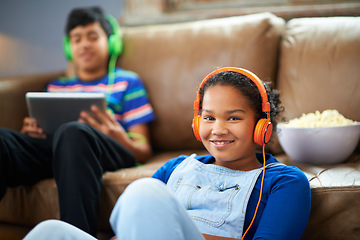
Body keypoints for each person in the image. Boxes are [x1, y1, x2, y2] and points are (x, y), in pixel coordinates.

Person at [22, 67, 311, 240]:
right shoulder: (176, 168)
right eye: (209, 118)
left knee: (144, 192)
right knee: (51, 232)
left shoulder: (285, 181)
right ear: (197, 124)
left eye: (233, 118)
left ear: (263, 127)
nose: (218, 129)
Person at [0, 6, 155, 237]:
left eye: (93, 37)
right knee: (4, 139)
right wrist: (28, 136)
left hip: (105, 149)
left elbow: (143, 149)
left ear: (111, 43)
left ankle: (76, 235)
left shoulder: (127, 82)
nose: (84, 44)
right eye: (77, 39)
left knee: (73, 132)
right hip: (56, 150)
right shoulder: (55, 87)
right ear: (68, 47)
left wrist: (118, 136)